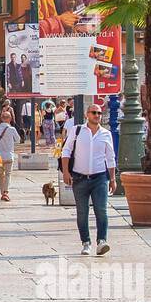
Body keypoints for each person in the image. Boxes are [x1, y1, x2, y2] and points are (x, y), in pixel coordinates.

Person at [61, 104, 117, 257]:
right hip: (79, 178)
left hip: (99, 178)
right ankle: (86, 242)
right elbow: (66, 151)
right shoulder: (77, 131)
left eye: (99, 113)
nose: (97, 115)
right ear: (87, 114)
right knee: (82, 212)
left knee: (101, 210)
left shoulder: (106, 134)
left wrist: (112, 179)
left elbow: (110, 158)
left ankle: (101, 241)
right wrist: (66, 172)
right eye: (94, 112)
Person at [0, 106, 22, 201]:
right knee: (8, 174)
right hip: (9, 155)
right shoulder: (12, 129)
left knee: (1, 174)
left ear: (1, 119)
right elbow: (18, 140)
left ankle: (2, 193)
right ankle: (6, 192)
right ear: (10, 119)